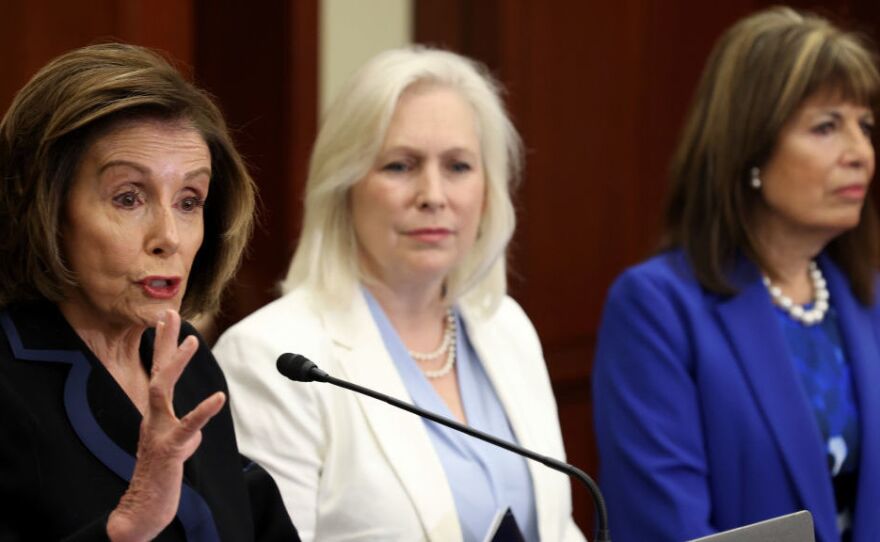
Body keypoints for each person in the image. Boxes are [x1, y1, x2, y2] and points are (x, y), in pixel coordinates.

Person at [213, 46, 584, 542]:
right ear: (343, 185)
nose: (433, 194)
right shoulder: (270, 357)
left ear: (488, 190)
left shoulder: (506, 326)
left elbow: (558, 528)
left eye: (458, 166)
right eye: (400, 166)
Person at [592, 7, 880, 542]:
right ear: (750, 148)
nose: (860, 152)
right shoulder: (656, 309)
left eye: (865, 126)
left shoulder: (867, 300)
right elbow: (664, 528)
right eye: (826, 127)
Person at [0, 43, 298, 540]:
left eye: (189, 201)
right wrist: (126, 528)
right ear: (45, 210)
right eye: (129, 197)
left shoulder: (187, 359)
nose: (169, 237)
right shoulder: (10, 380)